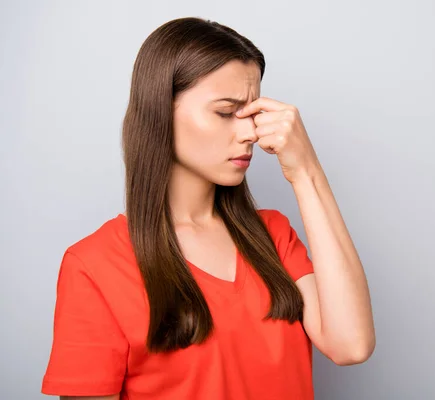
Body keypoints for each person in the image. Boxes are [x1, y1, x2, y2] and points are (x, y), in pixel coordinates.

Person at [41, 16, 375, 400]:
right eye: (224, 111)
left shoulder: (273, 235)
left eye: (252, 114)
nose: (250, 132)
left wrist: (306, 170)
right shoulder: (95, 265)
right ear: (160, 111)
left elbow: (352, 344)